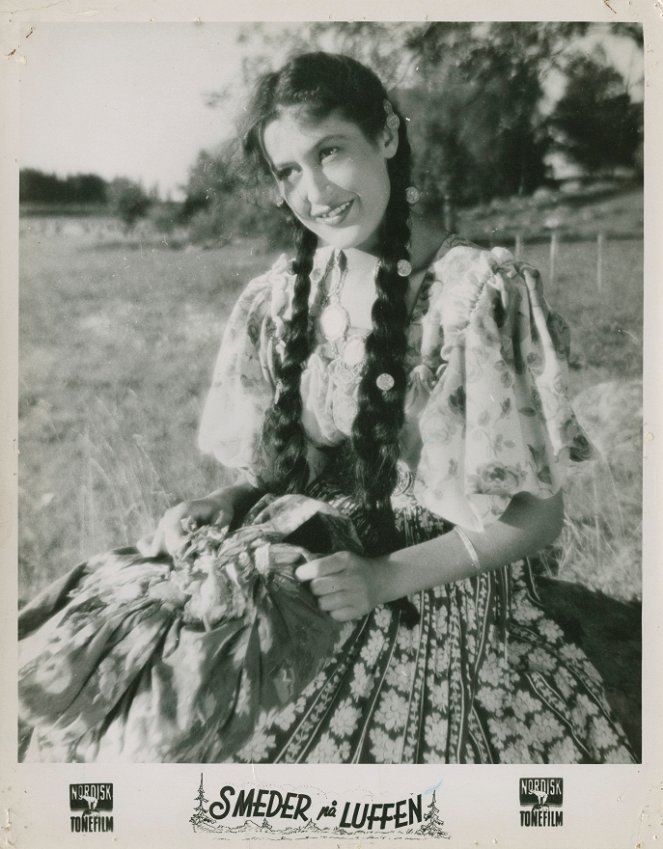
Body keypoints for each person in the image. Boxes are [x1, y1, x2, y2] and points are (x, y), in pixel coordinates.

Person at [19, 52, 634, 764]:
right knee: (111, 672)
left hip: (427, 584)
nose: (313, 190)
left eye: (330, 151)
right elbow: (300, 463)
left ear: (388, 139)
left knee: (230, 747)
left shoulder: (474, 295)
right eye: (288, 171)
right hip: (310, 552)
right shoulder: (286, 295)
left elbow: (536, 516)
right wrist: (231, 495)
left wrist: (380, 578)